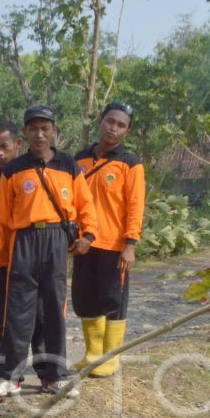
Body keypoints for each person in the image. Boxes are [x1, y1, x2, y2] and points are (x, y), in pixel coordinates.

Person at [0, 104, 96, 397]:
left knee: (54, 310)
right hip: (24, 241)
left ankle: (54, 376)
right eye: (33, 128)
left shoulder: (69, 166)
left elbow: (86, 206)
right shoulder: (14, 170)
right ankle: (10, 376)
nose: (40, 134)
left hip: (57, 241)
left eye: (45, 128)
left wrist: (89, 236)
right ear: (25, 133)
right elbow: (0, 218)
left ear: (54, 131)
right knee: (19, 310)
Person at [0, 120, 48, 387]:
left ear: (18, 143)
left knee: (39, 320)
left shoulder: (34, 174)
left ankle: (47, 375)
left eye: (4, 146)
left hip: (31, 262)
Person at [73, 101, 145, 377]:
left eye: (121, 126)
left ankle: (111, 358)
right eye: (110, 122)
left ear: (126, 132)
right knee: (85, 298)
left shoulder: (130, 163)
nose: (113, 129)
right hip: (84, 244)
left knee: (112, 300)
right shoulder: (79, 159)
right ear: (100, 122)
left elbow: (135, 206)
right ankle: (92, 355)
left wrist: (130, 245)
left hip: (114, 246)